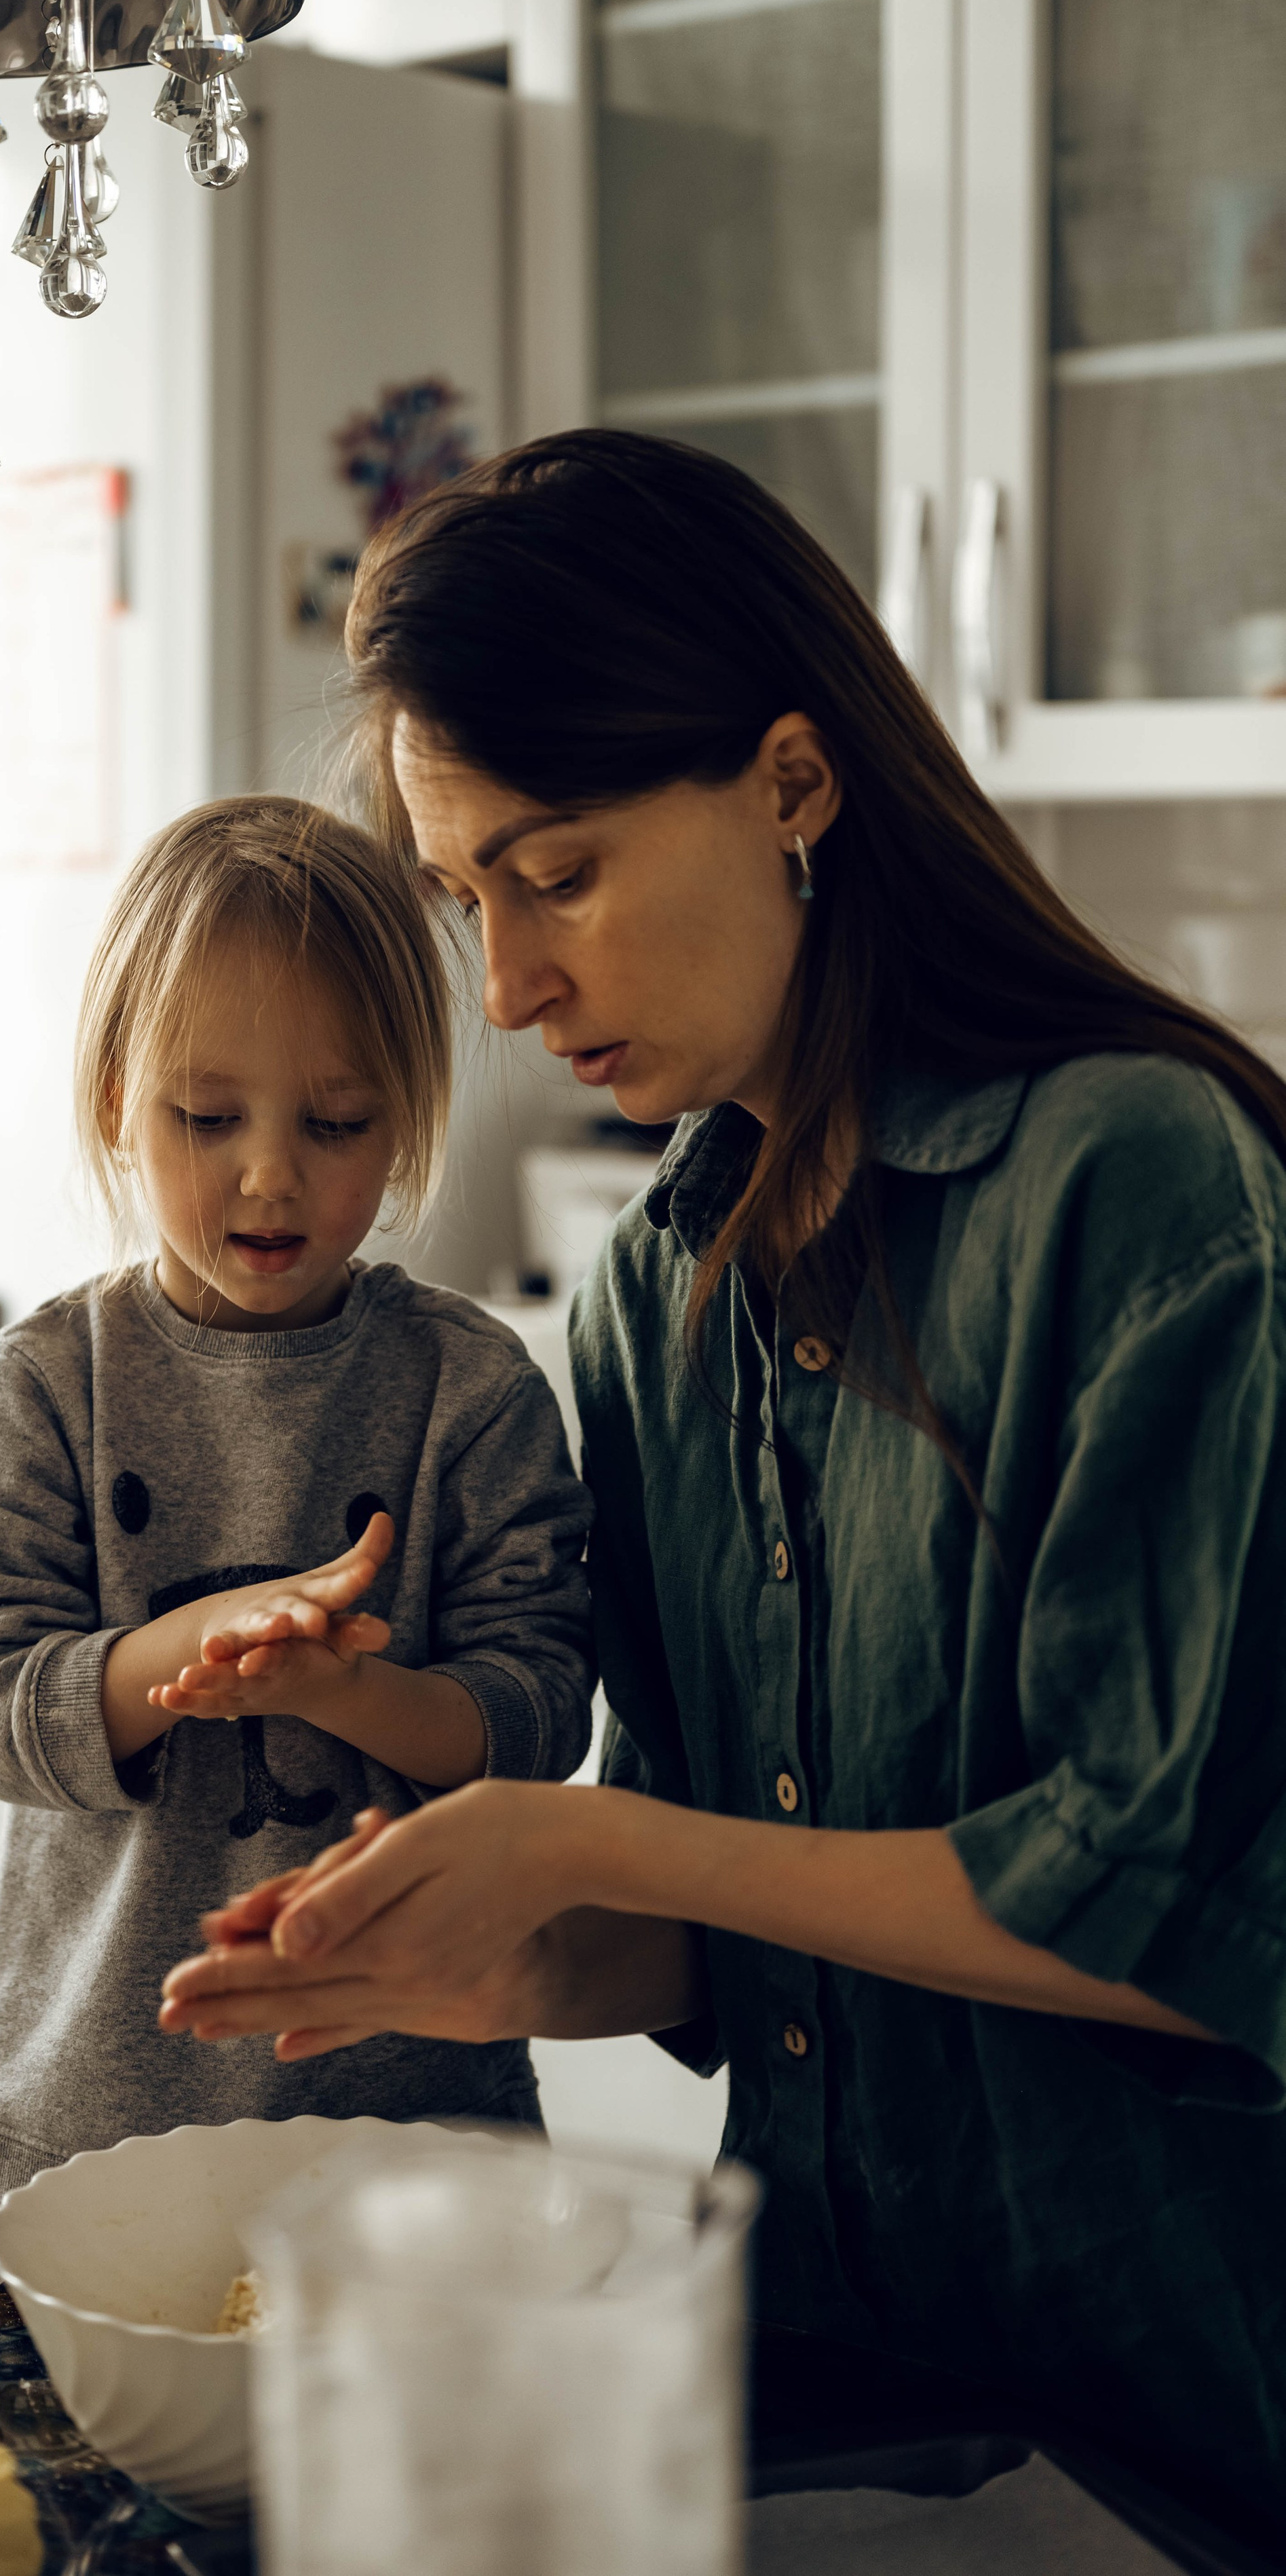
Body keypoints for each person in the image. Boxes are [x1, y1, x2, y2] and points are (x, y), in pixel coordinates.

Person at [158, 434, 1286, 2546]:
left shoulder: (1133, 1187)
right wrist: (496, 1961)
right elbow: (717, 1938)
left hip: (1174, 2452)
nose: (504, 988)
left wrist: (589, 1834)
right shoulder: (655, 1294)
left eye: (556, 871)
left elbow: (1175, 1906)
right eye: (462, 896)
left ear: (791, 781)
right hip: (833, 2398)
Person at [0, 796, 594, 2245]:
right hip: (97, 2129)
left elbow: (535, 1720)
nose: (268, 1174)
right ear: (111, 1102)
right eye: (206, 1119)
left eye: (333, 1123)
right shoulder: (49, 1389)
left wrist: (349, 1690)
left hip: (414, 2138)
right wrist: (188, 1648)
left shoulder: (465, 1392)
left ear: (401, 1118)